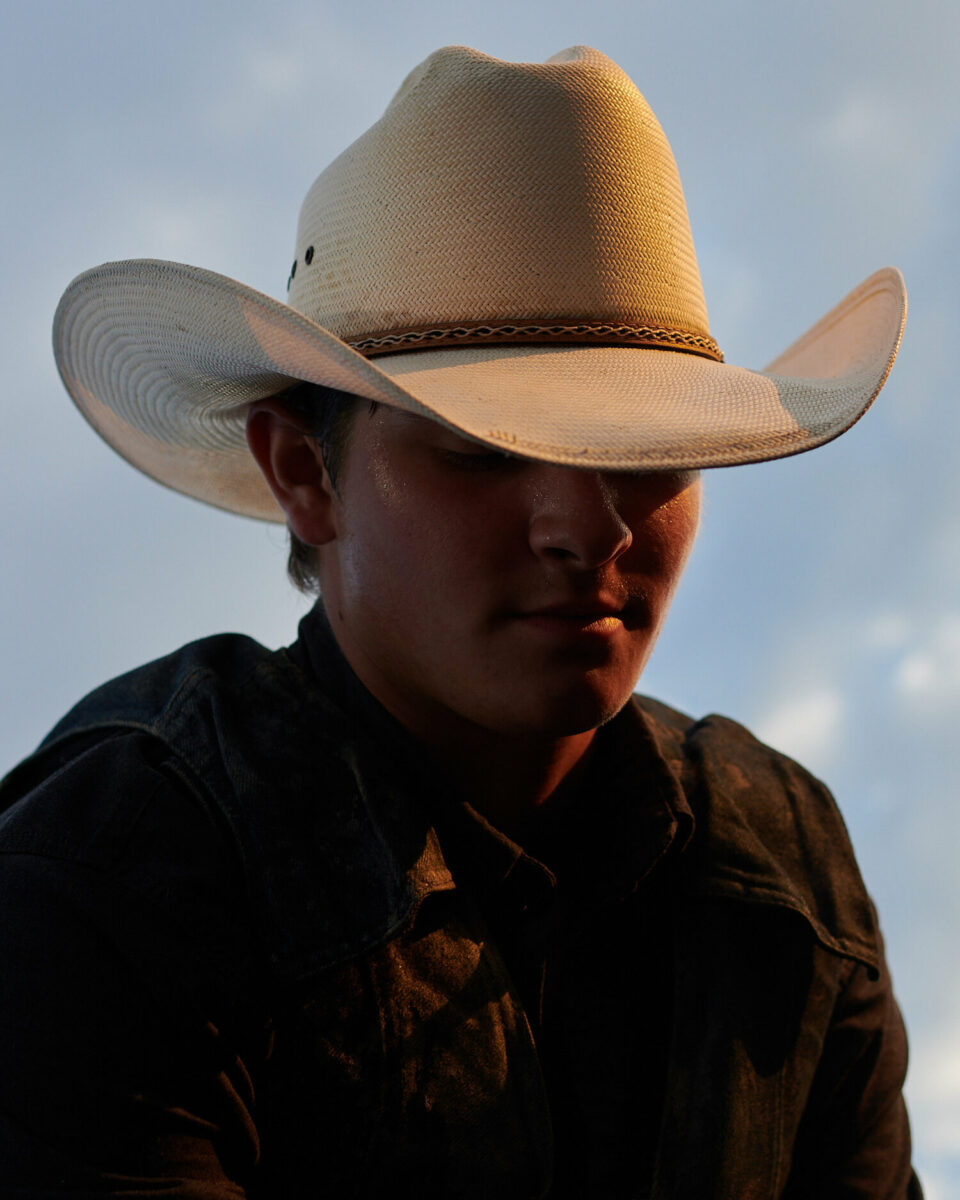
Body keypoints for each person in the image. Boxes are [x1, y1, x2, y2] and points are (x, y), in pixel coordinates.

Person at [0, 44, 920, 1199]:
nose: (589, 527)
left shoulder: (789, 870)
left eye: (651, 452)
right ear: (302, 473)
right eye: (486, 449)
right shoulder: (123, 868)